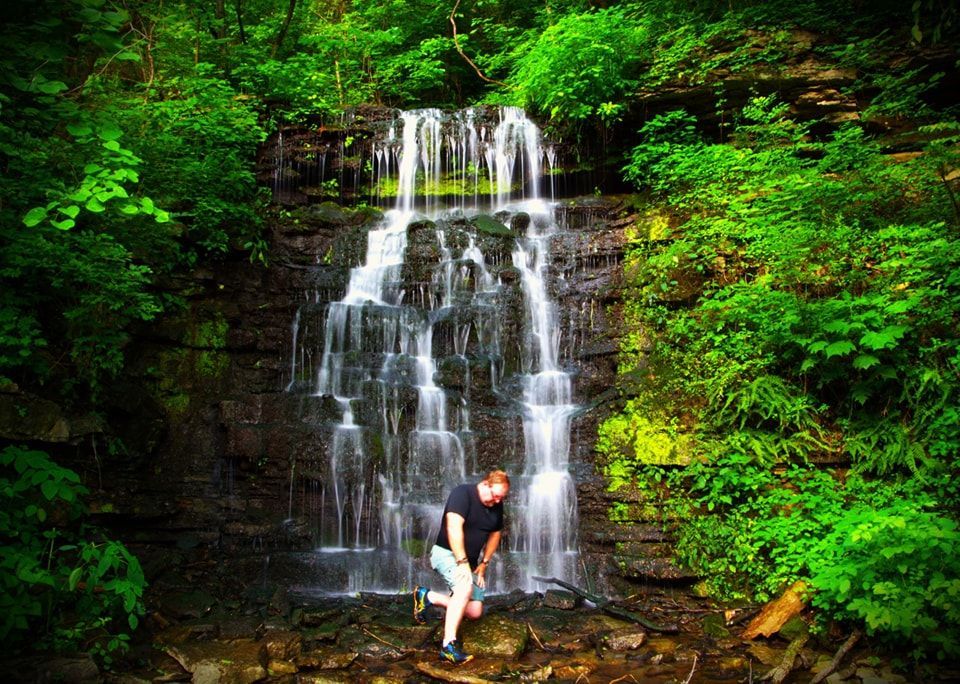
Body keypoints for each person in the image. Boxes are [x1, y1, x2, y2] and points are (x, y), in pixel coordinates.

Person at [413, 469, 510, 664]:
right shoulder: (462, 494)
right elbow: (453, 527)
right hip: (446, 553)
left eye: (501, 498)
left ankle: (428, 596)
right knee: (464, 587)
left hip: (471, 562)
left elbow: (495, 534)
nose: (497, 501)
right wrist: (462, 562)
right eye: (494, 495)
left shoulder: (496, 506)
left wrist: (484, 563)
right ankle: (448, 646)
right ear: (485, 484)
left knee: (474, 612)